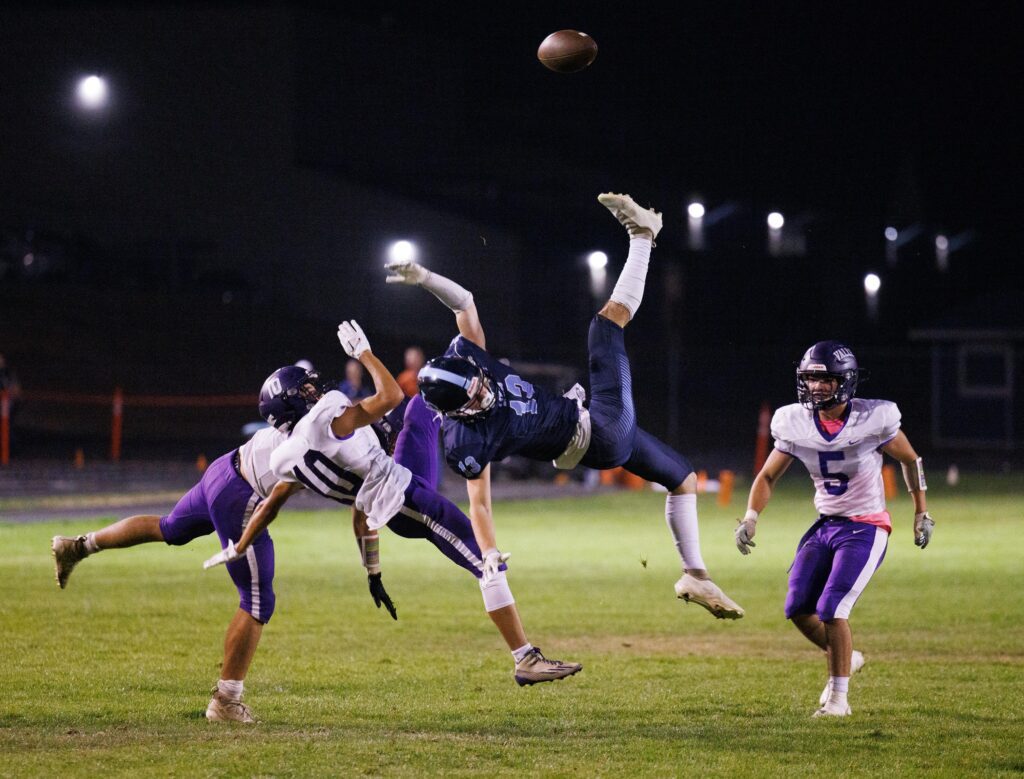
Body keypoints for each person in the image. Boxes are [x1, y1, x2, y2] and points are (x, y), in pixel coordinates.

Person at [385, 192, 743, 619]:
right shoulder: (465, 441)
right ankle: (643, 234)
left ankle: (696, 573)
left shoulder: (470, 357)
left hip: (595, 428)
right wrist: (490, 551)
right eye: (473, 398)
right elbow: (479, 502)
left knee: (682, 478)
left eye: (479, 384)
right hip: (601, 434)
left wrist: (425, 277)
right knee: (605, 327)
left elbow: (465, 302)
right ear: (453, 413)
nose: (484, 392)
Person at [205, 320, 581, 687]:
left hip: (399, 481)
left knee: (423, 406)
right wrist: (364, 353)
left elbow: (282, 507)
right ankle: (524, 659)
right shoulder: (325, 420)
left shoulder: (288, 461)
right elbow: (390, 397)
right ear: (294, 402)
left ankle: (472, 429)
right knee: (485, 558)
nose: (313, 389)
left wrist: (240, 546)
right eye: (303, 389)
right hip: (404, 501)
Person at [733, 340, 936, 718]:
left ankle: (839, 700)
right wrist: (750, 516)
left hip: (866, 525)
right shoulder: (794, 422)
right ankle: (847, 657)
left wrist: (920, 512)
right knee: (797, 607)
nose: (816, 387)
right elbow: (768, 475)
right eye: (810, 378)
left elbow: (911, 460)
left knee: (832, 607)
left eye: (825, 379)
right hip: (826, 524)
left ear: (844, 381)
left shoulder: (873, 419)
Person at [51, 422, 302, 723]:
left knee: (169, 527)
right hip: (241, 495)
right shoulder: (320, 434)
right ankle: (226, 701)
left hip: (224, 470)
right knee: (258, 599)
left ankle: (79, 547)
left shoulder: (310, 420)